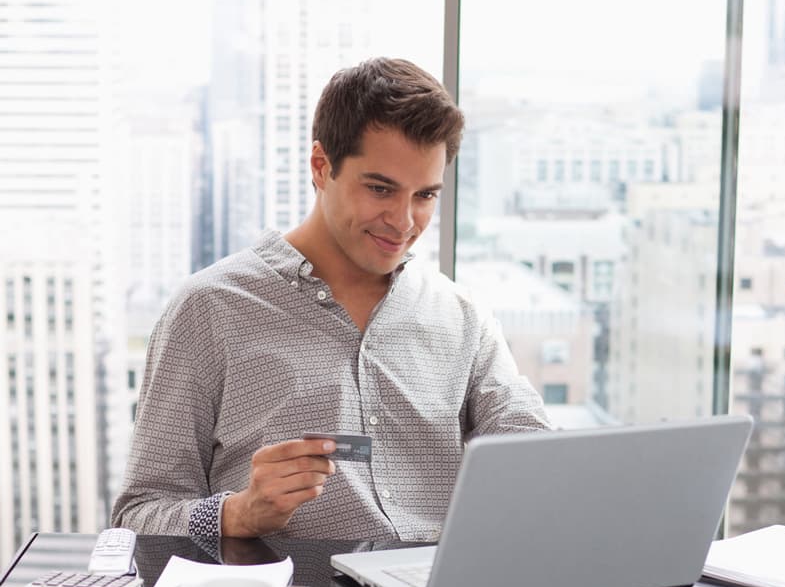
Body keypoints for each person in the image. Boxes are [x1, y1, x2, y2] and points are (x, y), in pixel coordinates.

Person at [112, 57, 549, 541]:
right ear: (321, 167)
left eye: (425, 195)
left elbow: (533, 457)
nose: (404, 222)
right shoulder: (209, 310)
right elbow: (138, 515)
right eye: (381, 189)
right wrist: (238, 514)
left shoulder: (462, 317)